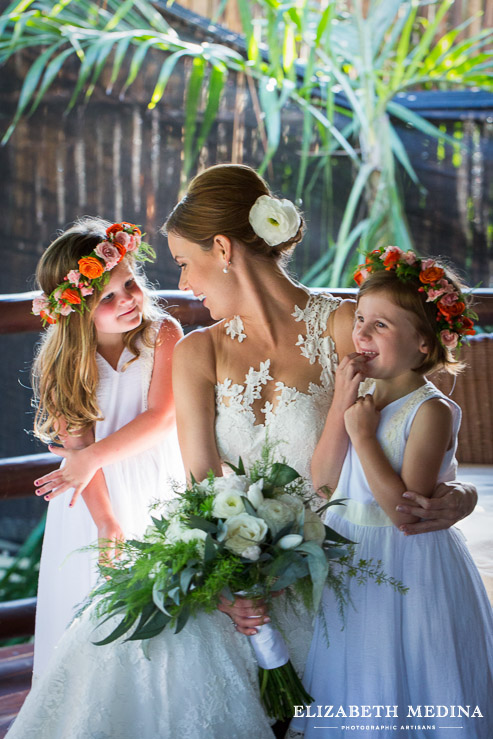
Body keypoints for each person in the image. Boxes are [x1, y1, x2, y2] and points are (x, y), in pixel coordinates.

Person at [7, 167, 477, 738]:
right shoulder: (197, 351)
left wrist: (459, 493)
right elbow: (203, 486)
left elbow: (414, 419)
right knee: (131, 645)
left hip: (338, 564)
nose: (183, 282)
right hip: (239, 566)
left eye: (183, 262)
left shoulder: (343, 324)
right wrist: (223, 578)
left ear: (223, 249)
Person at [291, 247, 493, 738]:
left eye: (381, 325)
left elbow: (405, 512)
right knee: (356, 669)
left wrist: (362, 436)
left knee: (408, 668)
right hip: (349, 548)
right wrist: (343, 407)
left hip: (406, 560)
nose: (361, 333)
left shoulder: (432, 410)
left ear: (424, 344)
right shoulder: (359, 398)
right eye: (360, 318)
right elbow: (322, 482)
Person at [29, 217, 184, 677]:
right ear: (77, 308)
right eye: (109, 298)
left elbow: (161, 418)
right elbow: (77, 441)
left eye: (130, 284)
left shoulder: (163, 335)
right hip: (92, 497)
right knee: (93, 614)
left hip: (157, 481)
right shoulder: (63, 362)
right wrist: (107, 522)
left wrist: (88, 457)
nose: (129, 300)